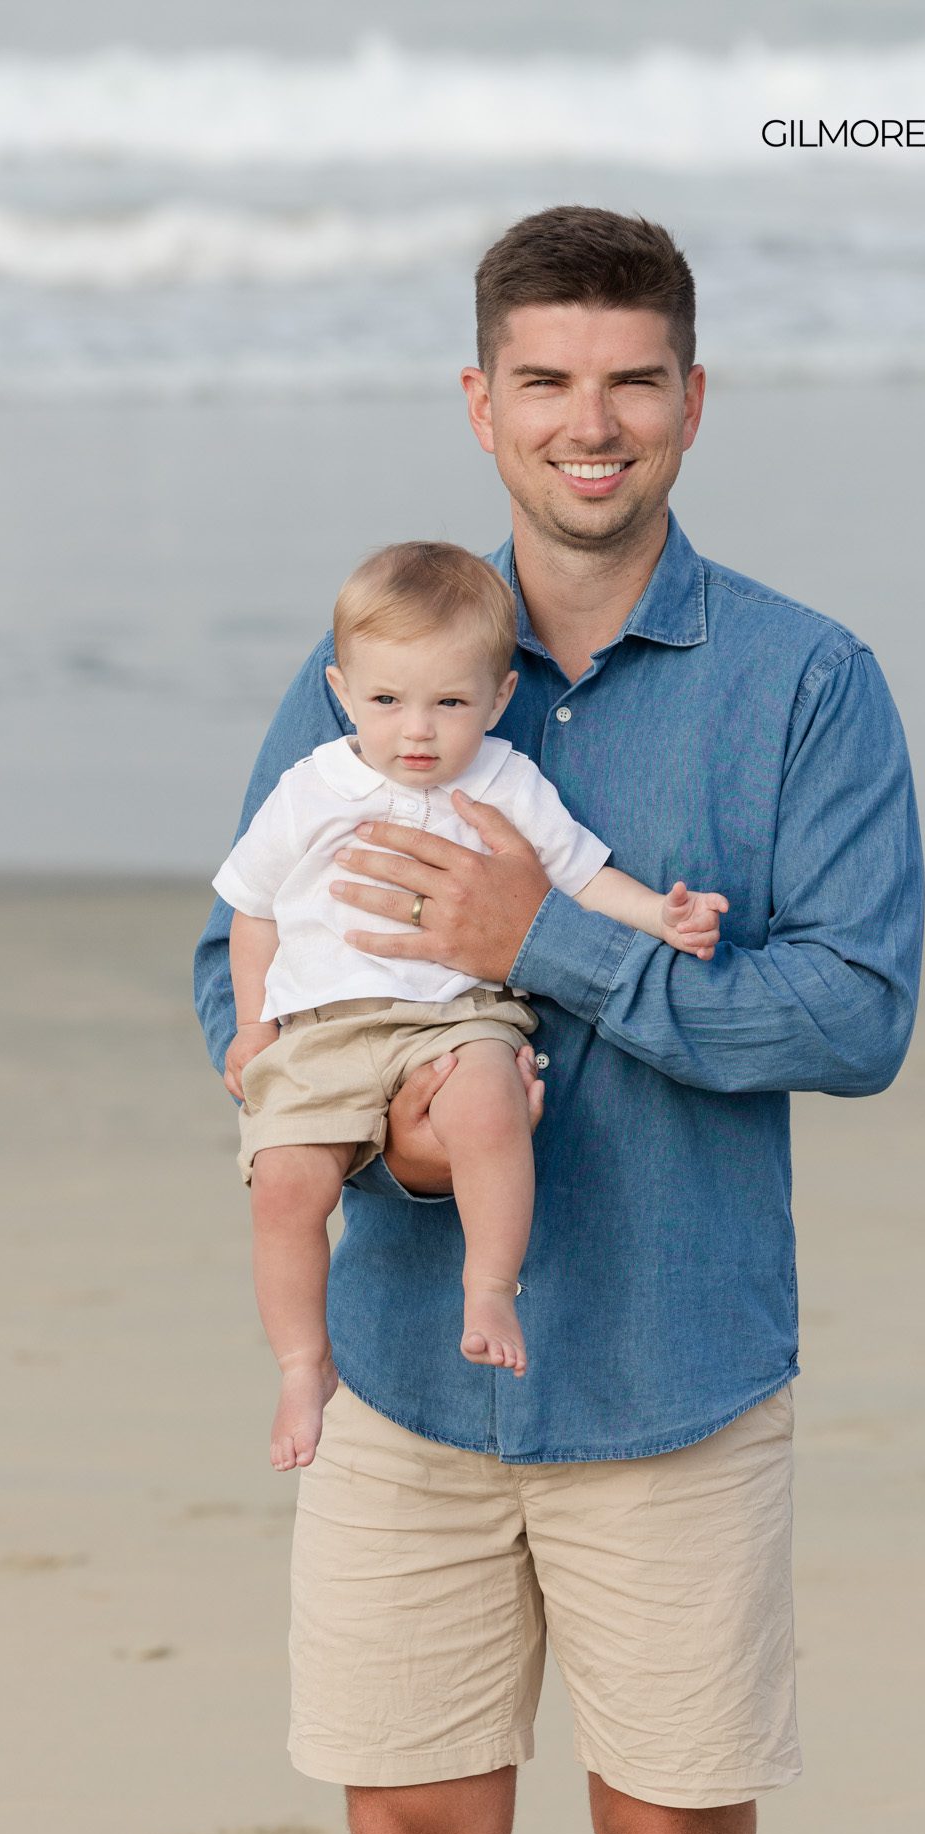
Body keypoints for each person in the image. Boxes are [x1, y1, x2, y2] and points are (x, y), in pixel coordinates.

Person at [194, 205, 923, 1834]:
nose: (588, 424)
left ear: (693, 398)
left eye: (630, 382)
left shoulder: (805, 681)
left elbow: (856, 1015)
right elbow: (236, 956)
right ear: (481, 401)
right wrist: (383, 1133)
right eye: (545, 381)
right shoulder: (377, 656)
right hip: (402, 1376)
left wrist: (551, 952)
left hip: (673, 1368)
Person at [213, 539, 729, 1459]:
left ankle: (488, 1288)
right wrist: (254, 1026)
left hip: (455, 1016)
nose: (417, 731)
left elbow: (582, 877)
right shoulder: (311, 788)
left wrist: (661, 914)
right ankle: (301, 1363)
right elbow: (251, 912)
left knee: (490, 1106)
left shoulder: (503, 781)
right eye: (387, 702)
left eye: (450, 704)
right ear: (341, 692)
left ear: (497, 699)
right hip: (322, 1028)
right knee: (284, 1186)